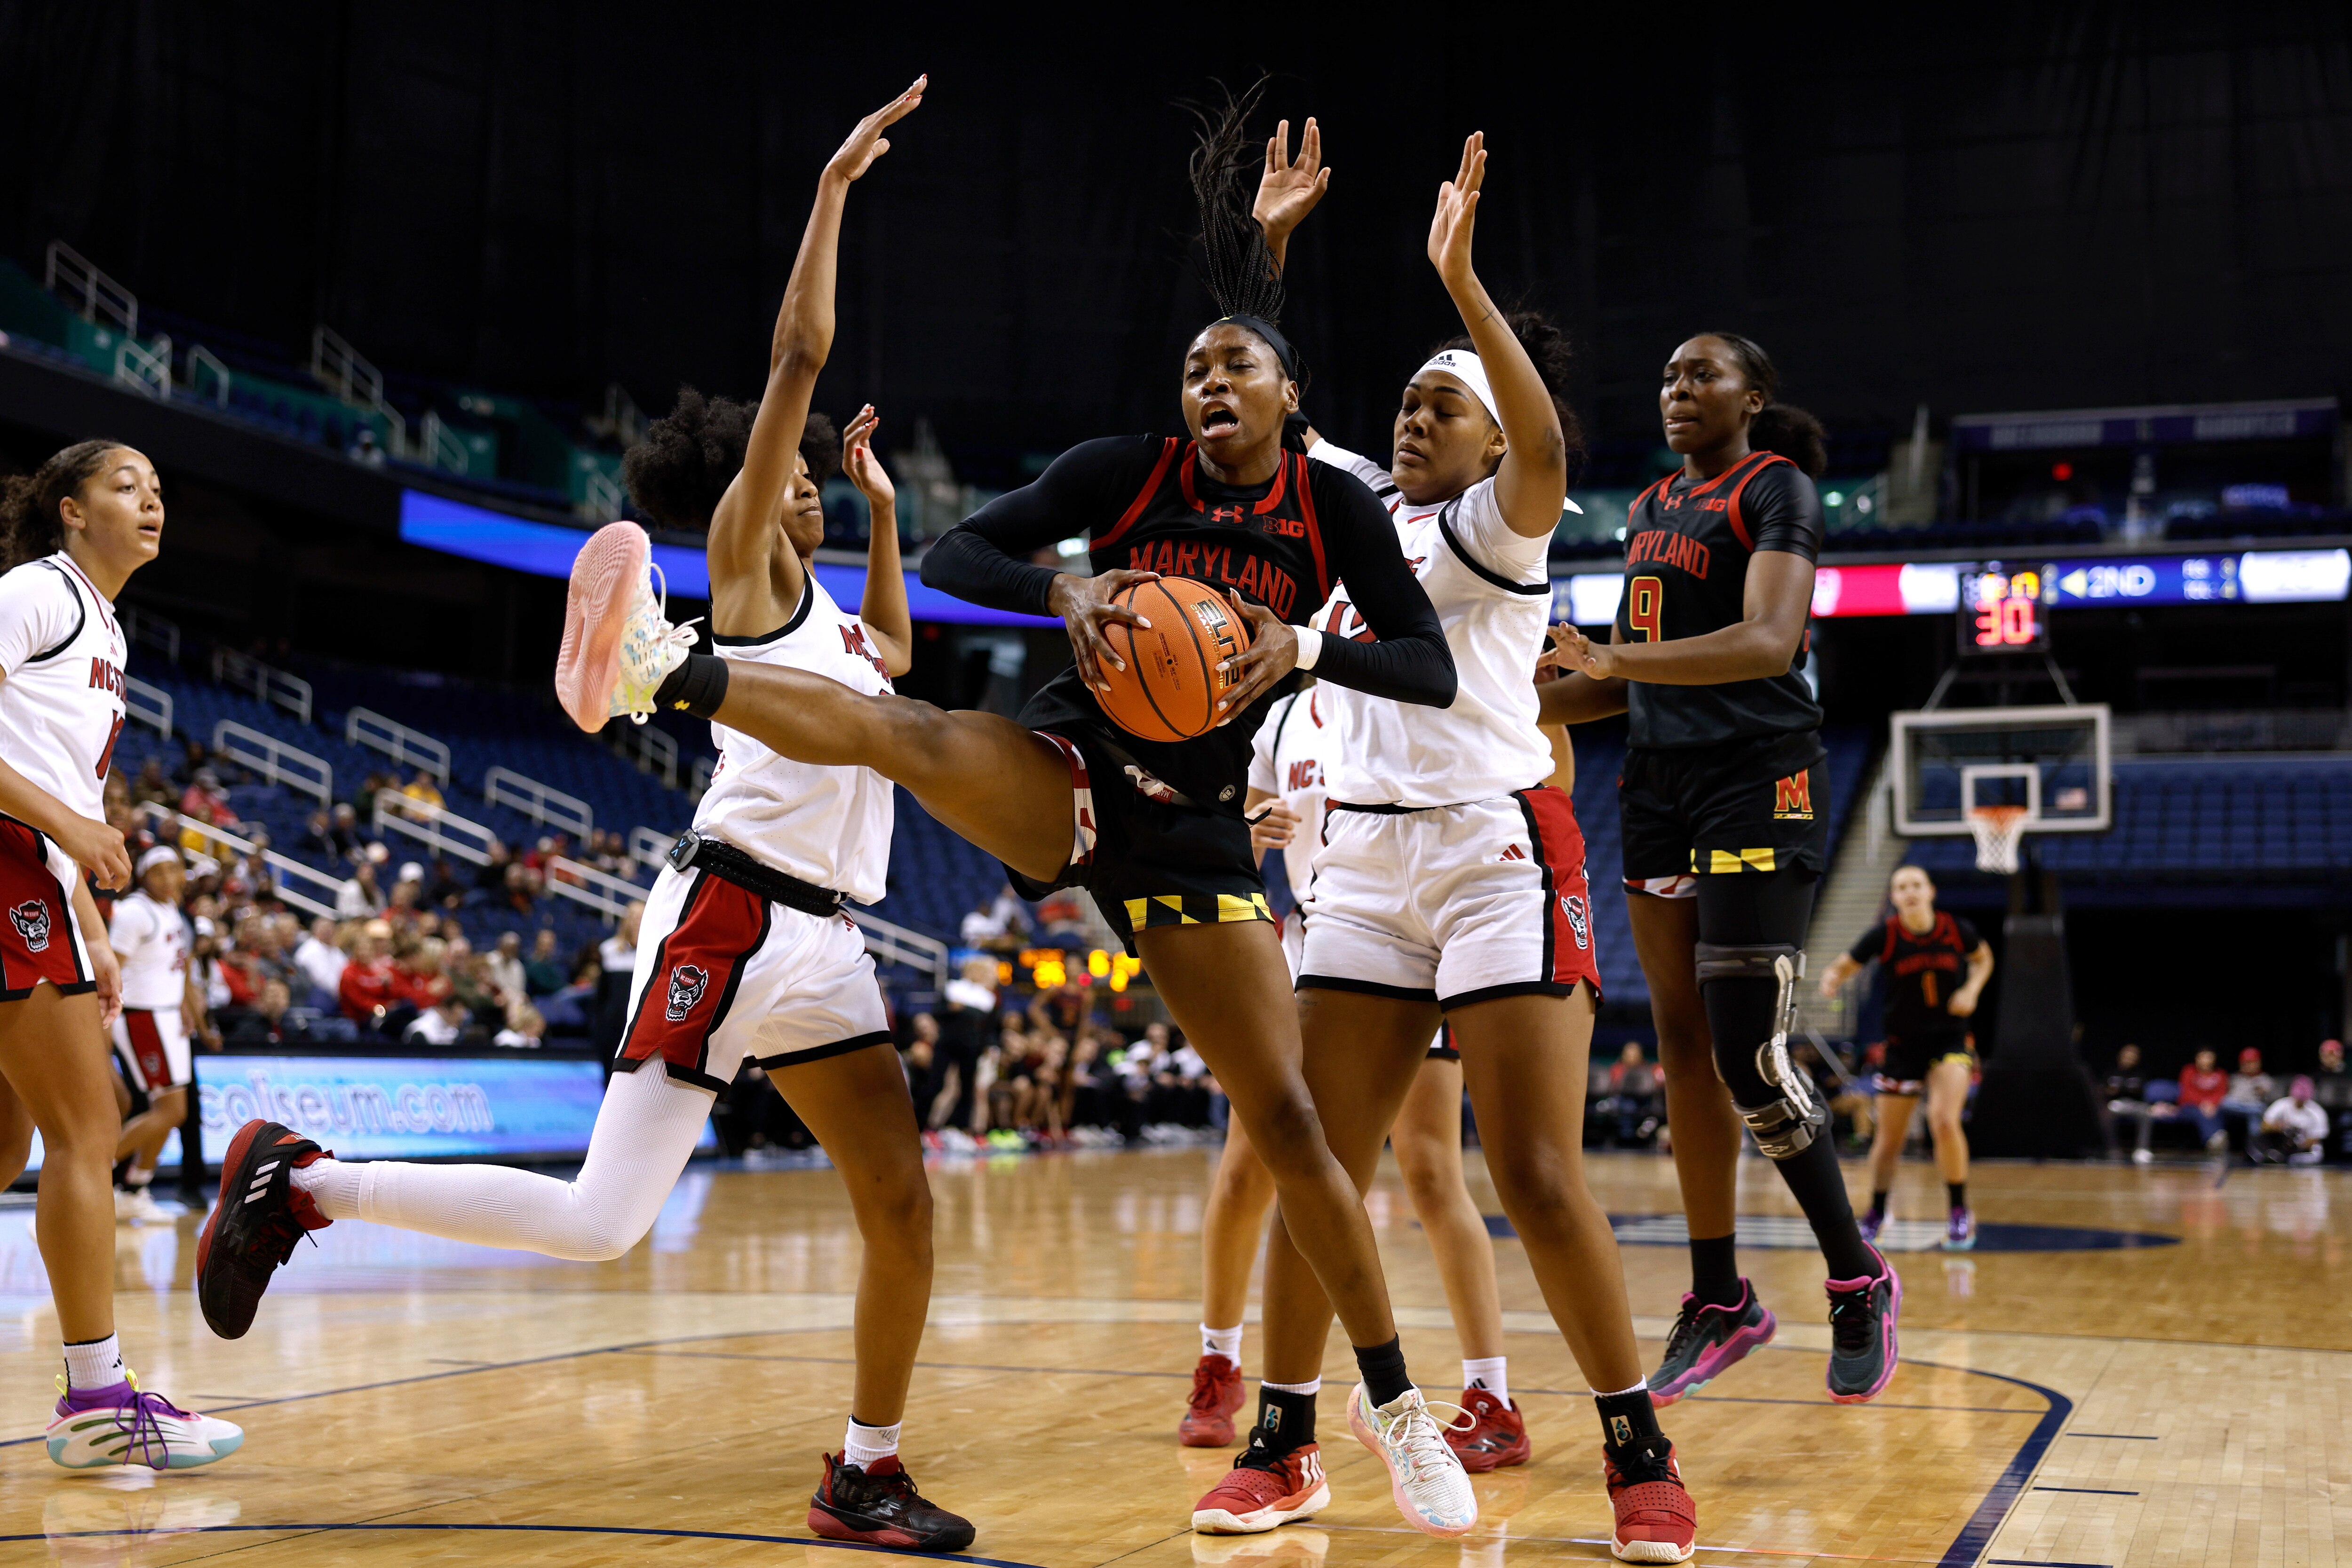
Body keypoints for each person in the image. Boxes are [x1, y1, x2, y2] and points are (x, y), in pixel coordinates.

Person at [546, 81, 1473, 1539]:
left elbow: (1422, 667)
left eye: (1235, 369)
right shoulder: (1127, 474)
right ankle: (667, 668)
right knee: (904, 727)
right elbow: (974, 551)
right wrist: (1069, 583)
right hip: (1073, 782)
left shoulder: (1330, 512)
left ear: (1291, 400)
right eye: (1192, 369)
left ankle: (1396, 1408)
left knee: (1289, 1122)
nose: (1208, 384)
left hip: (1197, 834)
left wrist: (1301, 648)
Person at [198, 83, 980, 1554]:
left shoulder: (839, 623)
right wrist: (829, 191)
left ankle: (863, 1468)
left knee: (900, 1200)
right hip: (734, 916)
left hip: (827, 943)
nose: (803, 485)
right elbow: (797, 351)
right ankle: (301, 1181)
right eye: (798, 475)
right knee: (600, 1222)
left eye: (811, 481)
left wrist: (881, 506)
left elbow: (901, 651)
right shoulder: (747, 577)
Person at [1196, 126, 1692, 1562]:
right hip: (1357, 863)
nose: (1412, 420)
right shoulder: (1348, 509)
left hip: (1494, 851)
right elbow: (1260, 409)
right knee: (1314, 1161)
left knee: (1533, 1169)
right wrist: (1269, 248)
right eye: (1405, 403)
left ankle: (1632, 1445)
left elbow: (1543, 444)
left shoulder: (1495, 527)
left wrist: (1461, 287)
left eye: (1438, 406)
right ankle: (1285, 1442)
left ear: (1484, 440)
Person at [1543, 332, 1899, 1405]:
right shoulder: (1651, 506)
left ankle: (1856, 1272)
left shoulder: (1776, 486)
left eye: (1703, 373)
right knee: (1683, 1046)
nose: (1677, 388)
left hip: (1760, 777)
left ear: (1754, 394)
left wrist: (1611, 658)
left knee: (1748, 1047)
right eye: (1665, 374)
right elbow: (1620, 684)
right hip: (1656, 784)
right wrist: (1488, 701)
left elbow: (1765, 636)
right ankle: (1718, 1297)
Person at [0, 438, 242, 1465]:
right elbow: (54, 799)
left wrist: (92, 925)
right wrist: (71, 830)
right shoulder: (36, 589)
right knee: (87, 1132)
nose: (151, 502)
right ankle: (97, 1400)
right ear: (68, 508)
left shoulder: (106, 630)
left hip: (34, 873)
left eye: (158, 488)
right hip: (4, 856)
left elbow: (62, 784)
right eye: (125, 485)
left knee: (7, 1149)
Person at [1816, 864, 1994, 1250]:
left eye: (1916, 885)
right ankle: (1878, 1210)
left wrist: (1972, 991)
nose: (1910, 892)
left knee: (1944, 1120)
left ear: (1930, 891)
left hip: (1951, 1040)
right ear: (1894, 898)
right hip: (1902, 1046)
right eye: (1901, 887)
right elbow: (1843, 965)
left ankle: (1960, 1211)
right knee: (1889, 1140)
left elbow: (1984, 959)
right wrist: (1832, 979)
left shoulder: (1956, 930)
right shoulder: (1885, 936)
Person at [107, 847, 203, 1222]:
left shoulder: (172, 910)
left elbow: (175, 969)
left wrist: (183, 1005)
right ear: (145, 876)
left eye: (174, 870)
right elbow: (110, 970)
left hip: (167, 1018)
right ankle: (86, 1172)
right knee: (170, 1109)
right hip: (140, 1016)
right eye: (159, 872)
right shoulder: (135, 912)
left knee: (173, 1113)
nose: (168, 879)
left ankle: (135, 1189)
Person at [2253, 1077, 2326, 1165]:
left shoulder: (2317, 1111)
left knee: (2292, 1160)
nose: (2300, 1100)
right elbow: (2264, 1126)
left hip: (2305, 1150)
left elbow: (2314, 1140)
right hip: (2284, 1144)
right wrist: (2279, 1127)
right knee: (2264, 1148)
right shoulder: (2282, 1104)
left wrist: (2295, 1146)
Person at [2222, 1048, 2276, 1149]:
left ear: (2258, 1063)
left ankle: (2254, 1146)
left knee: (2258, 1110)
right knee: (2224, 1103)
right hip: (2236, 1109)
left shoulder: (2264, 1079)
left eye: (2252, 1063)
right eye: (2245, 1063)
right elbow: (2229, 1099)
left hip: (2255, 1108)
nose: (2248, 1066)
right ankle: (2219, 1137)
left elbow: (2270, 1102)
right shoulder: (2236, 1078)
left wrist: (2262, 1091)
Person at [2176, 1049, 2229, 1151]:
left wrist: (2212, 1104)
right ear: (2197, 1059)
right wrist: (2202, 1104)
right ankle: (2212, 1139)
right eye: (2203, 1057)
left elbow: (2221, 1093)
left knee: (2219, 1111)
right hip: (2189, 1107)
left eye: (2209, 1057)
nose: (2206, 1061)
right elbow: (2187, 1093)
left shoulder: (2221, 1074)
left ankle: (2217, 1138)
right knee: (2201, 1113)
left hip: (2212, 1107)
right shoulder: (2189, 1071)